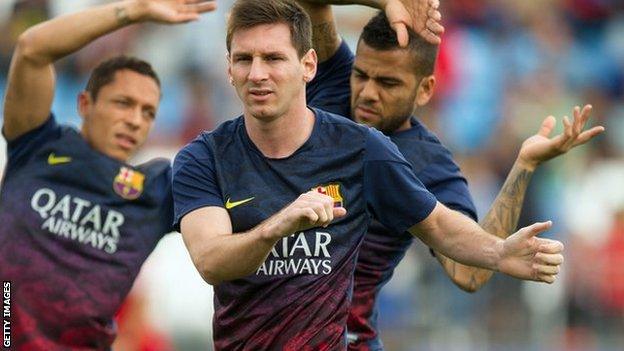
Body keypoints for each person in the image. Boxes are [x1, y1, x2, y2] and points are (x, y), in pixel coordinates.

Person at [172, 0, 564, 349]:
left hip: (350, 338)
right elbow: (210, 260)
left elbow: (447, 235)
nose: (367, 93)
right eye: (244, 59)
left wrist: (499, 247)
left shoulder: (381, 152)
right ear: (228, 68)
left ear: (307, 66)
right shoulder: (203, 157)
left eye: (273, 59)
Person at [296, 1, 605, 349]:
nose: (367, 93)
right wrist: (387, 4)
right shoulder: (337, 81)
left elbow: (469, 274)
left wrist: (524, 166)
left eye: (388, 83)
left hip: (346, 342)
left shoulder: (427, 164)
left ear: (425, 89)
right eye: (362, 75)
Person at [0, 0, 216, 348]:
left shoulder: (158, 190)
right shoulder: (36, 144)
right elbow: (32, 49)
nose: (135, 120)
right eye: (123, 103)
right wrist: (134, 11)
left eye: (148, 113)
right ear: (85, 104)